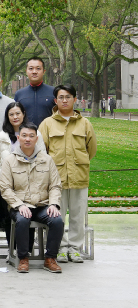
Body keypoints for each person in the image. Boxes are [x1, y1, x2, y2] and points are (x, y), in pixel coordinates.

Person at [39, 85, 96, 264]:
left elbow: (91, 149)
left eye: (68, 97)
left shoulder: (84, 123)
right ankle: (60, 248)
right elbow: (41, 151)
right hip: (56, 179)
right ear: (55, 100)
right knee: (57, 215)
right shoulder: (47, 124)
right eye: (61, 97)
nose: (65, 100)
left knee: (78, 215)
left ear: (74, 99)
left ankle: (75, 248)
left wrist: (79, 163)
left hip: (79, 176)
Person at [0, 123, 64, 274]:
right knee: (22, 220)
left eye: (31, 136)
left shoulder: (47, 160)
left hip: (42, 205)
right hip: (20, 206)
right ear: (18, 138)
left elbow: (55, 185)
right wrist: (19, 205)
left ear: (36, 139)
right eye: (24, 136)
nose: (27, 139)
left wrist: (53, 204)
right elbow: (5, 188)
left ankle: (50, 258)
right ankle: (23, 258)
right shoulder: (9, 160)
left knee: (57, 220)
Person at [0, 102, 46, 239]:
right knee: (8, 217)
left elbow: (42, 157)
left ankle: (27, 247)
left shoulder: (36, 133)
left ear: (23, 114)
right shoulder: (2, 136)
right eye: (11, 114)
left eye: (18, 113)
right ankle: (11, 246)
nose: (15, 117)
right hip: (8, 183)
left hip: (30, 182)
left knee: (28, 213)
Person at [14, 57, 55, 126]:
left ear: (44, 71)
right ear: (26, 71)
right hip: (25, 132)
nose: (34, 72)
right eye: (31, 68)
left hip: (48, 132)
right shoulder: (19, 94)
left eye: (38, 68)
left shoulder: (54, 92)